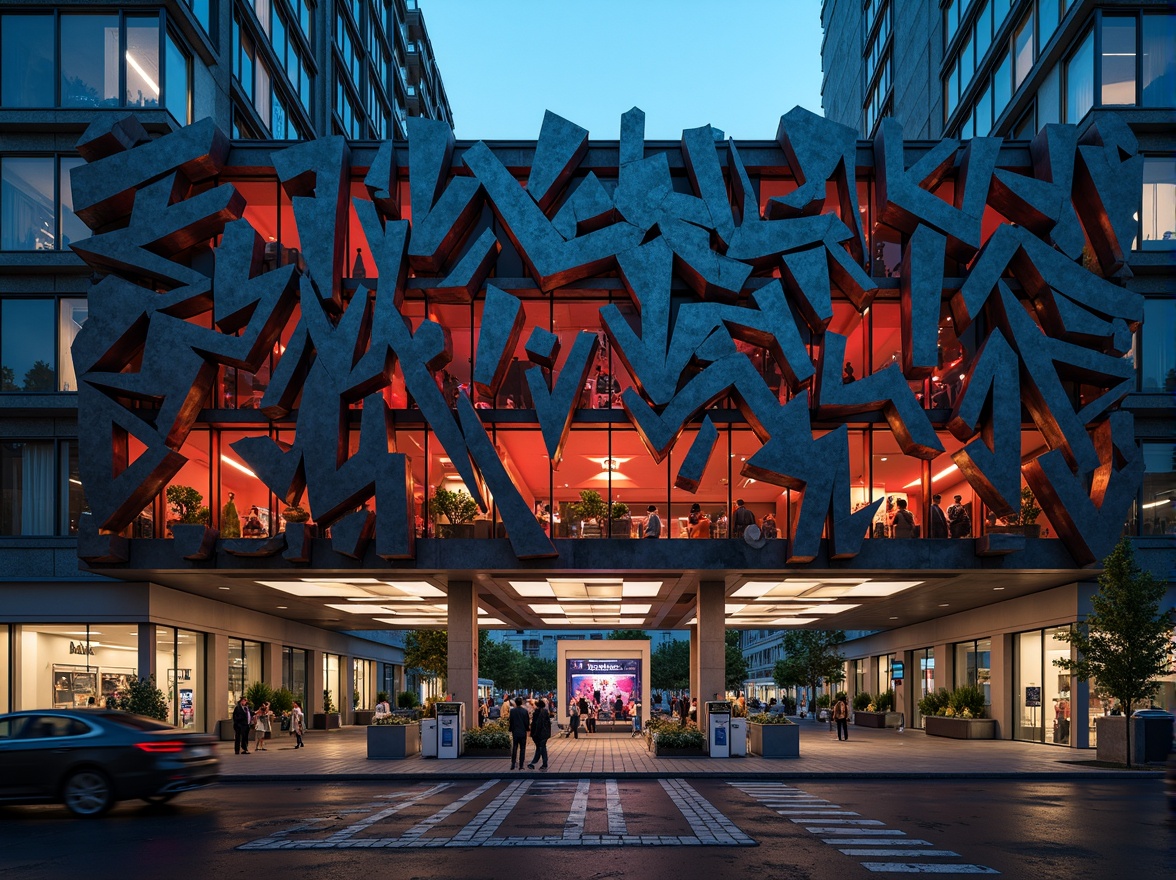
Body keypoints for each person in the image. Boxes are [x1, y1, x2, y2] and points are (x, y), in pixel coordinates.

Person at [527, 698, 551, 770]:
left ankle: (540, 763)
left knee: (540, 748)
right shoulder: (545, 712)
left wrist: (533, 733)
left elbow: (536, 724)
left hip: (538, 734)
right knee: (541, 748)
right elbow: (548, 724)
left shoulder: (537, 713)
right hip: (545, 733)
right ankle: (536, 763)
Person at [508, 696, 530, 771]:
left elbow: (511, 721)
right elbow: (527, 722)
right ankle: (521, 765)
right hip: (523, 731)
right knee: (522, 748)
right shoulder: (524, 711)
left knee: (514, 747)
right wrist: (527, 729)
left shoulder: (512, 711)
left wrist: (510, 729)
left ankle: (513, 764)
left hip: (515, 731)